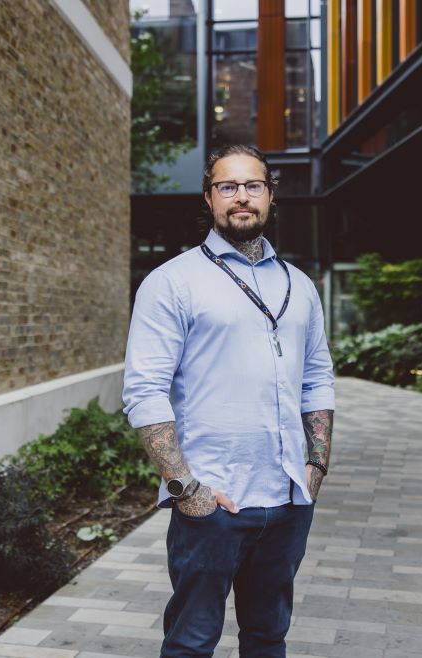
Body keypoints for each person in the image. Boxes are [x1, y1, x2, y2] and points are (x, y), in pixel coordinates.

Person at [122, 144, 336, 658]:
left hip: (287, 500)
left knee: (268, 639)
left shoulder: (300, 286)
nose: (242, 197)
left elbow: (317, 377)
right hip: (212, 503)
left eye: (253, 185)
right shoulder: (172, 282)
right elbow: (144, 391)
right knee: (192, 643)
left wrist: (316, 464)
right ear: (209, 197)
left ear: (270, 196)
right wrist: (184, 488)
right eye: (228, 186)